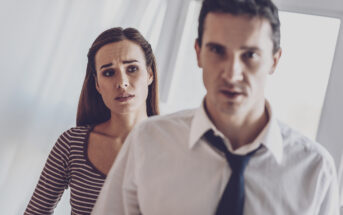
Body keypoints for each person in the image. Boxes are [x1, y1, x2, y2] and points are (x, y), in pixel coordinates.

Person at [92, 0, 339, 214]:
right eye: (217, 50)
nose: (231, 74)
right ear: (198, 52)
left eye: (250, 55)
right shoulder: (147, 142)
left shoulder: (315, 171)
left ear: (274, 61)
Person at [24, 27, 159, 215]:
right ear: (97, 84)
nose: (122, 82)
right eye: (109, 73)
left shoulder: (175, 144)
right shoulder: (71, 144)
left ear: (150, 74)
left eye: (132, 69)